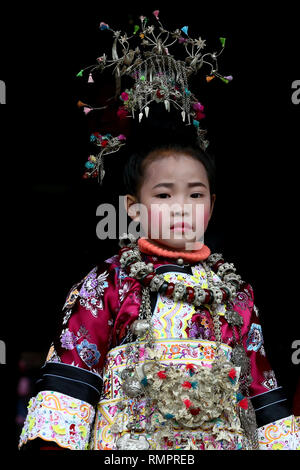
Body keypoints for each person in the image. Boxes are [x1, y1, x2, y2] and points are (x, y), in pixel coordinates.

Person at [19, 14, 299, 450]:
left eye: (196, 194)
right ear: (133, 208)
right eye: (165, 195)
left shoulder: (235, 294)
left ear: (211, 206)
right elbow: (68, 390)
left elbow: (264, 398)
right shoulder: (107, 285)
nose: (182, 208)